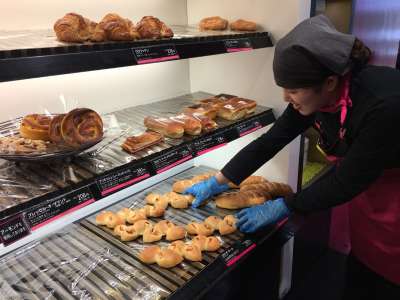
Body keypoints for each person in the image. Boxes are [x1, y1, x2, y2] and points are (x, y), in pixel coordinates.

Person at [184, 15, 400, 299]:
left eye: (294, 91)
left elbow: (347, 181)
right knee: (361, 278)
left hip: (394, 207)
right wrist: (221, 180)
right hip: (368, 206)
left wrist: (287, 205)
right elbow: (272, 140)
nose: (286, 97)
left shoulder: (384, 105)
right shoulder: (316, 95)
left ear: (330, 82)